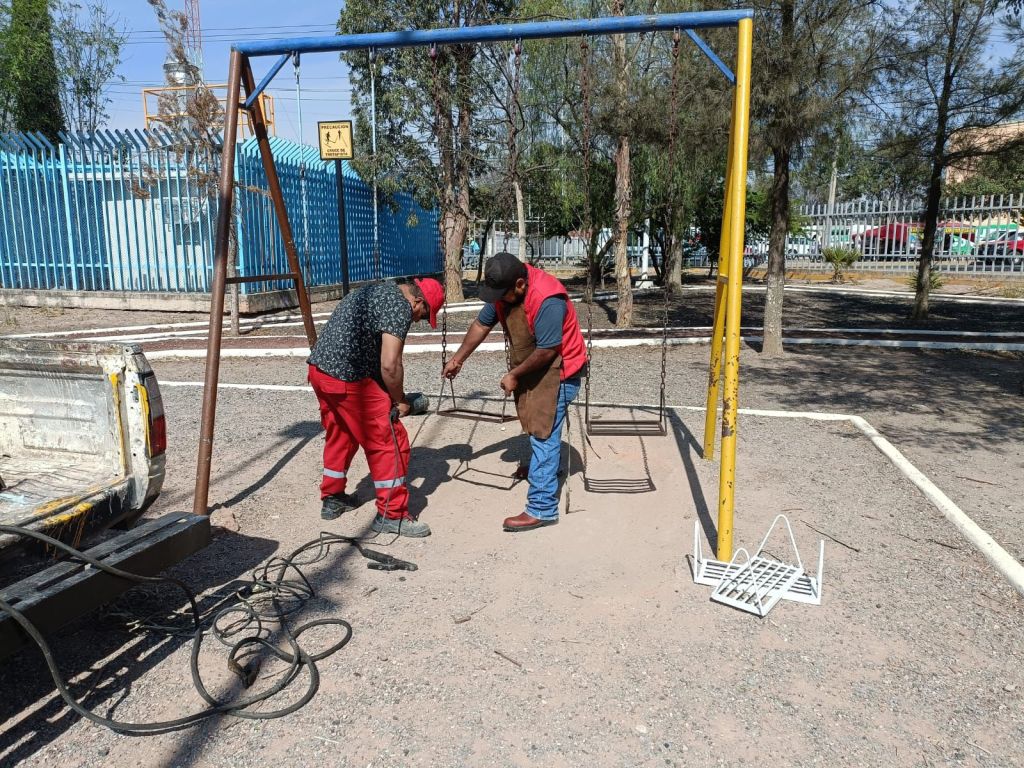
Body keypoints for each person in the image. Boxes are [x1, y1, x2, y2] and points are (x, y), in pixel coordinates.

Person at [443, 252, 587, 533]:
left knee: (544, 431)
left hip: (560, 371)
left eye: (503, 294)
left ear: (520, 284)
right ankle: (543, 471)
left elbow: (548, 350)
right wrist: (458, 358)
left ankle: (542, 508)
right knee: (535, 423)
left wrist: (513, 375)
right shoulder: (505, 291)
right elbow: (482, 324)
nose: (499, 300)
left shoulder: (547, 299)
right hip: (534, 368)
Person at [308, 277, 445, 537]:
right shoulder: (399, 307)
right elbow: (390, 365)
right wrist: (400, 401)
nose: (417, 321)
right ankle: (392, 515)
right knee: (390, 438)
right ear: (418, 301)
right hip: (348, 379)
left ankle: (332, 497)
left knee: (342, 431)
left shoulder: (376, 290)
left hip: (320, 372)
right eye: (423, 314)